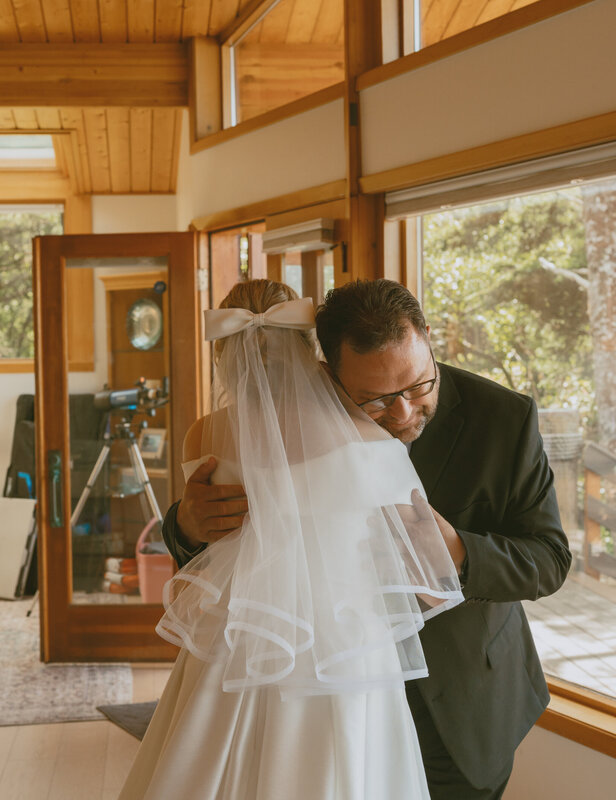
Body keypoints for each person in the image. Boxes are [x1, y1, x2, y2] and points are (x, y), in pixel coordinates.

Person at [162, 279, 573, 799]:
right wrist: (184, 525)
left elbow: (550, 558)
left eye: (419, 385)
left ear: (426, 336)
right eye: (374, 399)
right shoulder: (296, 423)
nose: (402, 414)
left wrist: (459, 554)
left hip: (462, 701)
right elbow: (231, 547)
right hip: (306, 688)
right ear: (325, 372)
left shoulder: (505, 420)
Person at [119, 280, 464, 800]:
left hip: (237, 629)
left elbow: (213, 537)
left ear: (222, 356)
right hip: (345, 640)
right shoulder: (371, 441)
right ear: (312, 349)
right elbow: (425, 579)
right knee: (340, 764)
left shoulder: (206, 435)